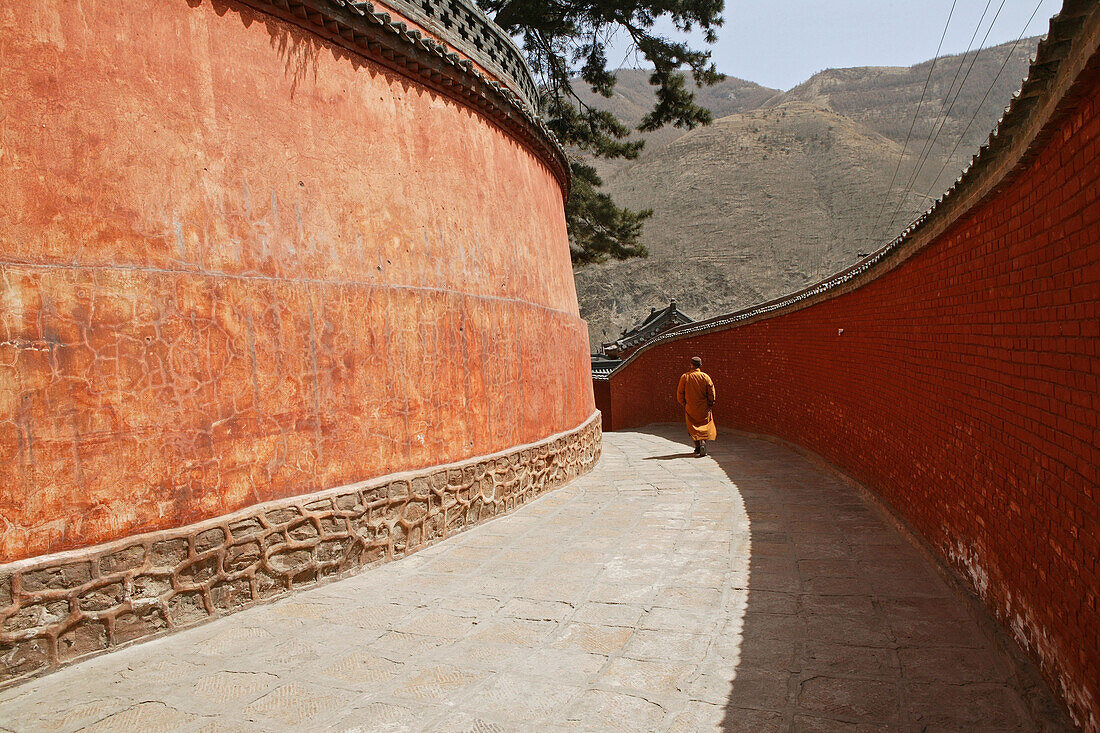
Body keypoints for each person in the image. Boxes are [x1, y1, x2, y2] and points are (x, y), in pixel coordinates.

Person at [676, 356, 716, 456]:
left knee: (693, 427)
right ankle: (703, 443)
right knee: (704, 426)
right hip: (704, 407)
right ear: (700, 365)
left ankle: (697, 447)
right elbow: (711, 391)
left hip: (690, 407)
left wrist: (684, 403)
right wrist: (711, 403)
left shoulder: (685, 377)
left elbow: (680, 393)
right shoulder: (705, 376)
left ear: (691, 364)